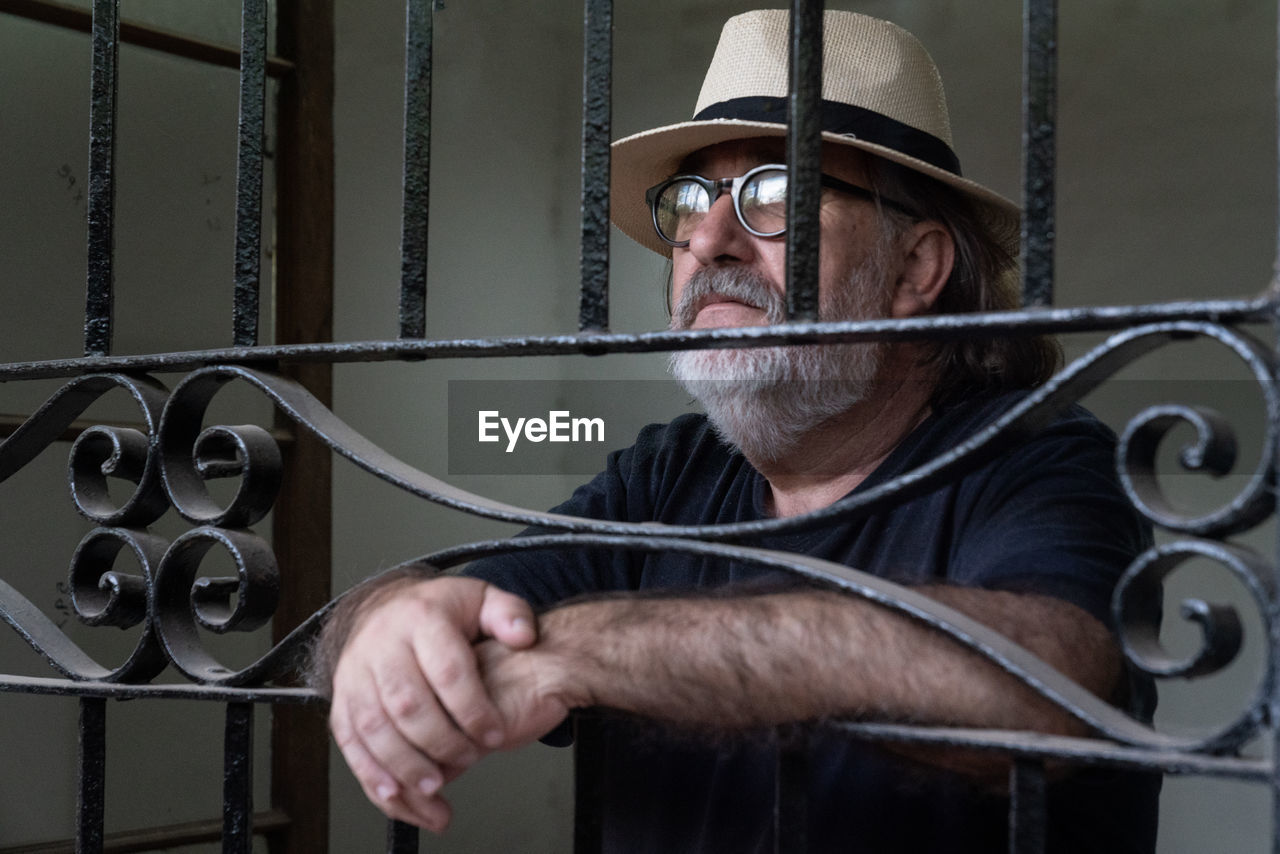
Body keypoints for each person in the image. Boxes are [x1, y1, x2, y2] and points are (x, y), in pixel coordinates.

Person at [311, 10, 1159, 851]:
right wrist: (388, 619)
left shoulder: (1038, 456)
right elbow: (462, 608)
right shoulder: (669, 471)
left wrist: (581, 649)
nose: (708, 241)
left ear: (915, 268)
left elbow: (1045, 687)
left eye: (777, 193)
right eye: (688, 202)